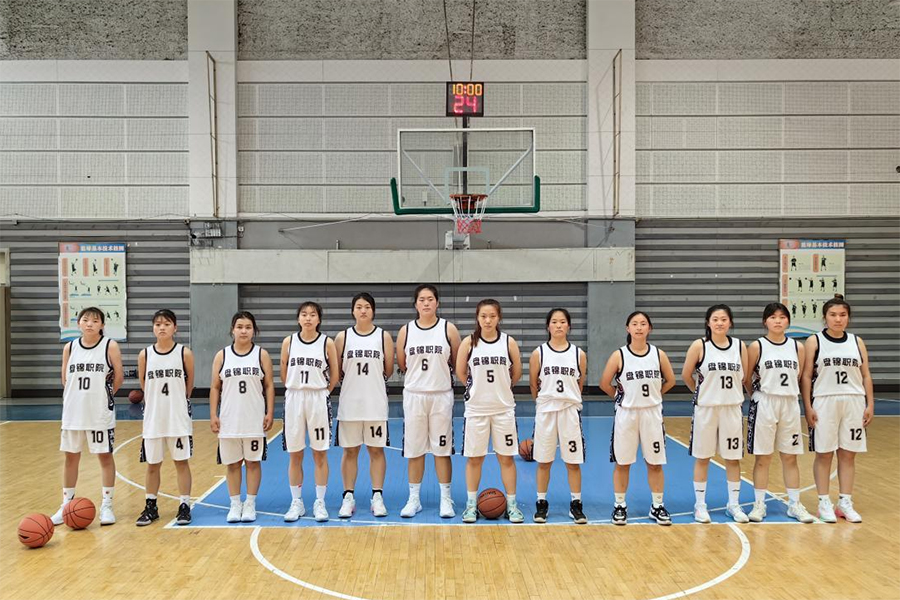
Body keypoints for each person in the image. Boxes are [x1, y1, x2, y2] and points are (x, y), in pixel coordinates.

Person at [801, 295, 874, 523]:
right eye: (833, 315)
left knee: (848, 453)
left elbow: (865, 374)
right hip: (825, 400)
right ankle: (824, 502)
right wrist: (807, 406)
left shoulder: (856, 341)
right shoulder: (814, 341)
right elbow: (806, 376)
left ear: (848, 318)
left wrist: (870, 403)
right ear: (825, 318)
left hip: (853, 400)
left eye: (842, 315)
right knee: (824, 453)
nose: (838, 319)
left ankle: (845, 502)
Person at [600, 311, 676, 526]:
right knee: (622, 462)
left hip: (652, 413)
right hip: (627, 414)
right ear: (628, 328)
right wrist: (621, 397)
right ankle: (620, 505)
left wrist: (655, 396)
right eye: (635, 323)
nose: (639, 327)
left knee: (655, 463)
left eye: (643, 323)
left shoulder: (659, 355)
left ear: (649, 328)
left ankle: (657, 505)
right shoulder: (619, 355)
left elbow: (670, 380)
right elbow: (605, 383)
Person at [52, 307, 124, 526]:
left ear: (102, 325)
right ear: (79, 324)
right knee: (70, 458)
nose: (90, 323)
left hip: (99, 413)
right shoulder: (70, 347)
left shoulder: (109, 346)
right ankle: (66, 504)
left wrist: (105, 397)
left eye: (95, 320)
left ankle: (107, 505)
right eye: (85, 320)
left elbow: (118, 377)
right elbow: (65, 379)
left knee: (105, 457)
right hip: (73, 413)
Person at [744, 303, 815, 523]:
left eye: (782, 317)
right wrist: (757, 396)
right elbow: (746, 378)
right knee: (763, 457)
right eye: (773, 317)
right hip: (765, 402)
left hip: (790, 403)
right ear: (765, 321)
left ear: (788, 321)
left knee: (790, 456)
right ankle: (759, 504)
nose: (777, 321)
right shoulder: (757, 346)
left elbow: (799, 376)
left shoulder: (797, 347)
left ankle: (794, 504)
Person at [455, 299, 524, 523]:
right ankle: (471, 505)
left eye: (492, 316)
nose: (487, 320)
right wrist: (477, 390)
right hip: (476, 410)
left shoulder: (508, 342)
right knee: (475, 459)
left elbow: (517, 373)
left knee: (506, 458)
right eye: (483, 316)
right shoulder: (468, 342)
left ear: (499, 318)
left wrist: (501, 389)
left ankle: (512, 505)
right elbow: (461, 372)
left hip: (503, 409)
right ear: (477, 318)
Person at [396, 284, 461, 519]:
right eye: (422, 299)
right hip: (415, 395)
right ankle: (414, 499)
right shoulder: (406, 331)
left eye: (430, 299)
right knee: (415, 450)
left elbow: (457, 361)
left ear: (437, 303)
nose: (426, 303)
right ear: (415, 304)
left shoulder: (448, 329)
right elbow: (402, 363)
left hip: (441, 395)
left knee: (442, 450)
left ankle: (446, 498)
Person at [681, 304, 749, 524]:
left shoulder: (739, 346)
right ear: (708, 323)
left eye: (724, 319)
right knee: (703, 457)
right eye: (715, 319)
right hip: (706, 409)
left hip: (731, 408)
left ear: (730, 323)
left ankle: (733, 504)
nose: (720, 323)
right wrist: (702, 393)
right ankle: (700, 505)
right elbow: (686, 375)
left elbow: (744, 377)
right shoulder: (699, 345)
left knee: (733, 458)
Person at [209, 311, 275, 523]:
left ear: (254, 331)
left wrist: (270, 412)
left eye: (248, 327)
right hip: (229, 419)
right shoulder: (222, 356)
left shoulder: (261, 355)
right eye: (239, 327)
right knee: (233, 464)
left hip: (254, 418)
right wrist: (213, 414)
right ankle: (235, 503)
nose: (243, 331)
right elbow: (215, 387)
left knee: (253, 462)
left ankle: (250, 503)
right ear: (232, 330)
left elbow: (269, 385)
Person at [334, 293, 394, 518]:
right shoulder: (343, 337)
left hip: (375, 404)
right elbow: (337, 371)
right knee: (350, 451)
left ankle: (377, 496)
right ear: (353, 311)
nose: (363, 310)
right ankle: (348, 496)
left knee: (376, 450)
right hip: (350, 405)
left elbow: (388, 370)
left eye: (367, 306)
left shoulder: (383, 336)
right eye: (359, 307)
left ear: (373, 310)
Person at [136, 309, 195, 527]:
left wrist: (177, 403)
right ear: (153, 328)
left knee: (181, 462)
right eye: (158, 324)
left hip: (177, 418)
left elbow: (189, 385)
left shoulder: (184, 353)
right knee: (152, 464)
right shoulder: (145, 355)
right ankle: (151, 506)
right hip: (153, 419)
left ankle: (184, 505)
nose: (162, 327)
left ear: (175, 328)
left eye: (167, 324)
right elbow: (144, 385)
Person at [281, 302, 339, 523]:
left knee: (319, 453)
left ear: (319, 319)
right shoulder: (289, 342)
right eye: (304, 314)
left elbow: (335, 374)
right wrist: (295, 388)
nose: (308, 318)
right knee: (295, 453)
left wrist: (323, 393)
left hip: (318, 398)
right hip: (295, 398)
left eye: (312, 315)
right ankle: (296, 502)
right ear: (298, 318)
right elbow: (284, 372)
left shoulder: (327, 343)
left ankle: (320, 502)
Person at [530, 308, 588, 524]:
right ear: (548, 326)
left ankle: (576, 504)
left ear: (569, 326)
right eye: (554, 322)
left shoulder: (579, 354)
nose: (558, 325)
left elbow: (579, 384)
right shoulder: (539, 353)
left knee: (573, 462)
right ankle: (541, 503)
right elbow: (533, 384)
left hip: (569, 412)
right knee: (544, 461)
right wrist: (544, 402)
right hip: (546, 411)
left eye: (563, 322)